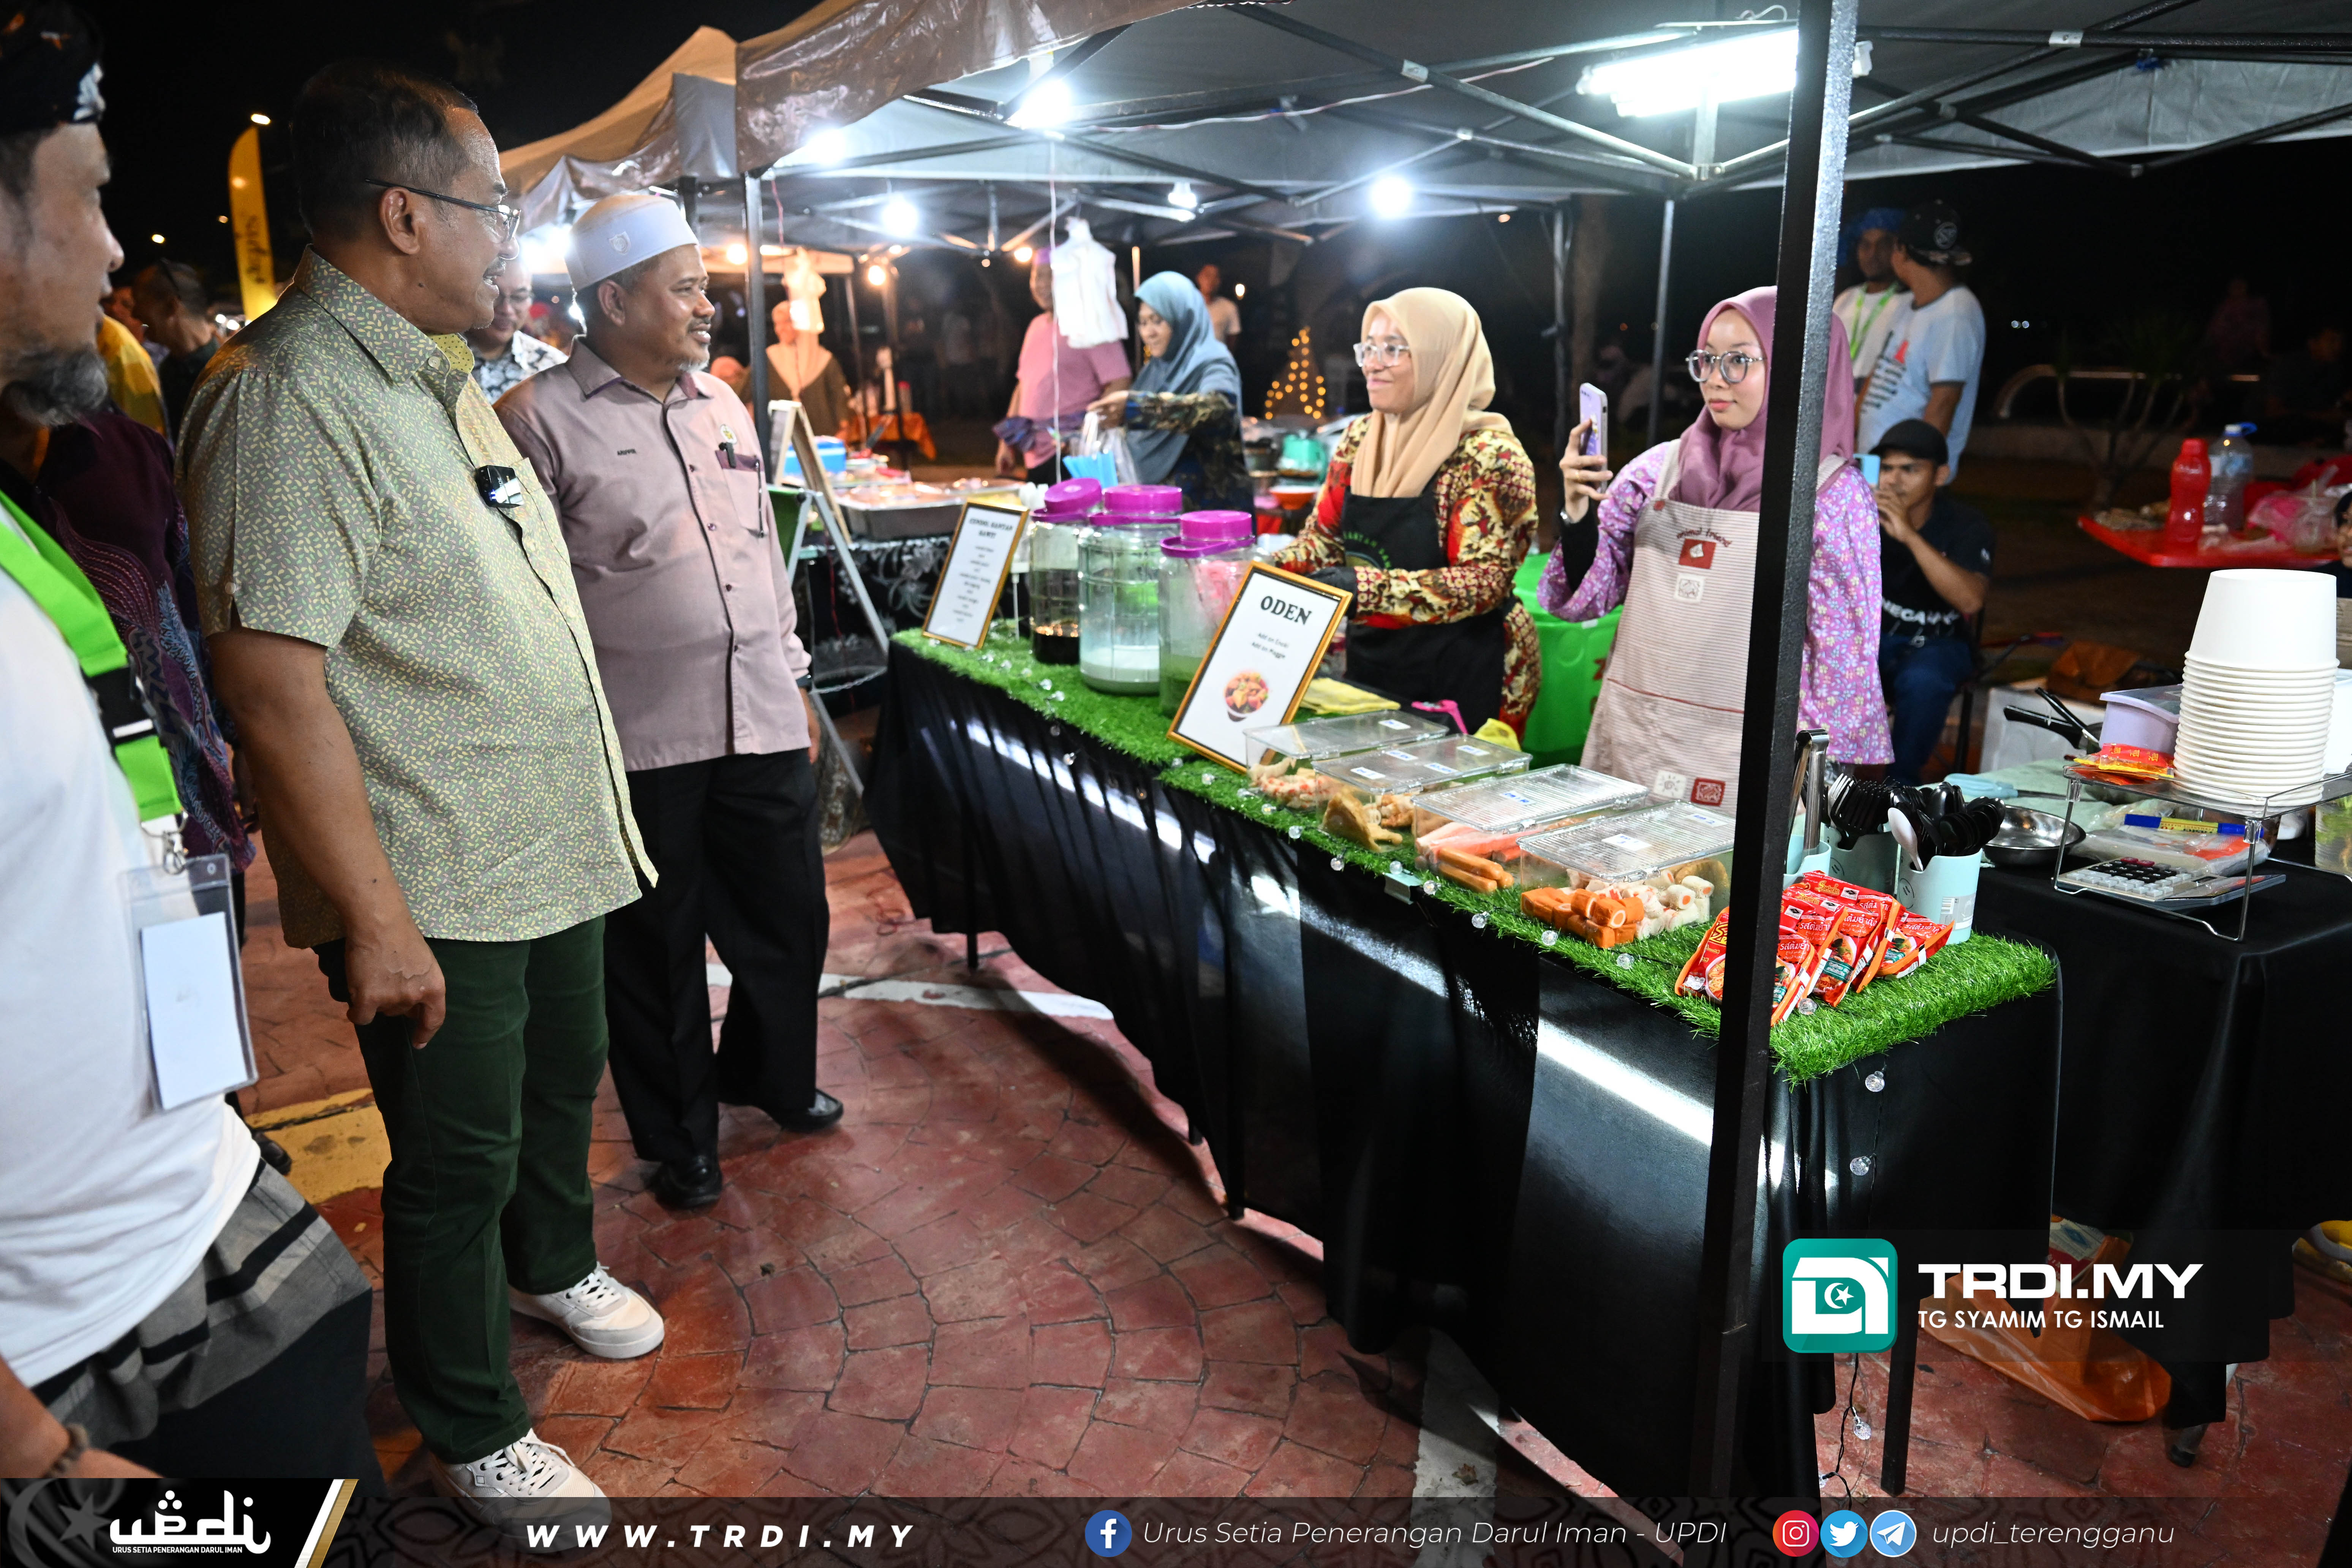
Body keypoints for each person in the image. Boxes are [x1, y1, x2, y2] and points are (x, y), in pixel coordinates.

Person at [181, 59, 662, 1517]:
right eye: (493, 208)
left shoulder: (433, 374)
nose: (510, 240)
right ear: (404, 215)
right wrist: (374, 918)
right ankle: (468, 1422)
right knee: (454, 1159)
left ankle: (555, 1259)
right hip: (437, 875)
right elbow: (272, 686)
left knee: (557, 1089)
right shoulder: (285, 400)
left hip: (546, 842)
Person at [0, 1, 374, 1482]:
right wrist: (30, 1454)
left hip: (206, 1213)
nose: (113, 256)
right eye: (85, 199)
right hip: (68, 1362)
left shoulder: (34, 495)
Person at [497, 192, 837, 1214]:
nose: (707, 308)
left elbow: (764, 554)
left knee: (791, 920)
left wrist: (797, 677)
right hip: (636, 740)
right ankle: (682, 1138)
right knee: (654, 954)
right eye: (685, 289)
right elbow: (526, 598)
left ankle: (768, 1078)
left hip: (759, 713)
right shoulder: (535, 421)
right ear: (614, 300)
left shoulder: (723, 404)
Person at [1545, 286, 1889, 807]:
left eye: (1738, 363)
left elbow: (1842, 672)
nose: (1713, 380)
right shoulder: (1656, 472)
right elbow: (1589, 596)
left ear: (1798, 371)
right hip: (1640, 740)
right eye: (1705, 360)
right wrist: (1576, 514)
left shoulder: (1830, 496)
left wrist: (1811, 798)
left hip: (1748, 763)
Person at [1274, 288, 1541, 735]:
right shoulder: (1361, 437)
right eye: (1370, 347)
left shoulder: (1488, 456)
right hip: (1376, 655)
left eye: (1394, 349)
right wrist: (1260, 571)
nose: (1373, 364)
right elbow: (1324, 540)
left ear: (1443, 358)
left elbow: (1485, 582)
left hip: (1466, 667)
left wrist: (1365, 589)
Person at [1871, 420, 1992, 784]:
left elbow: (1971, 599)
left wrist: (1908, 535)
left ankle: (1898, 793)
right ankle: (1825, 783)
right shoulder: (1863, 515)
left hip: (1940, 642)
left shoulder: (1966, 525)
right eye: (1887, 468)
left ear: (1940, 475)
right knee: (1821, 661)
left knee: (1924, 681)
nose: (1894, 480)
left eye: (1910, 469)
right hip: (1875, 638)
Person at [1086, 271, 1249, 512]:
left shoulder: (1213, 361)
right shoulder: (1155, 371)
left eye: (1158, 320)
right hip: (1164, 521)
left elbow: (1220, 410)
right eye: (1143, 322)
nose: (1148, 333)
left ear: (1183, 317)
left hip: (1214, 520)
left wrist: (1137, 409)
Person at [1856, 201, 1985, 473]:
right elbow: (1877, 377)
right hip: (1872, 463)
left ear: (1900, 252)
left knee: (1895, 519)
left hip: (1905, 478)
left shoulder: (1955, 313)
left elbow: (1944, 404)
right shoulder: (1908, 305)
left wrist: (1915, 477)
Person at [994, 250, 1130, 481]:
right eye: (1037, 276)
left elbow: (1120, 382)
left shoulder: (1091, 323)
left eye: (1052, 276)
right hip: (1034, 454)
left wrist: (1087, 435)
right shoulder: (1036, 326)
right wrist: (1006, 444)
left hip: (1073, 456)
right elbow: (1023, 388)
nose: (1043, 284)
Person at [128, 258, 222, 439]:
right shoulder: (169, 369)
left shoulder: (232, 368)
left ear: (171, 306)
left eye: (139, 301)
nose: (135, 313)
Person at [466, 252, 566, 401]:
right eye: (495, 295)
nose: (506, 309)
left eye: (519, 298)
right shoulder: (436, 354)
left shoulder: (551, 367)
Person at [1832, 206, 1906, 393]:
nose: (1872, 254)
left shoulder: (1908, 303)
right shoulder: (1846, 299)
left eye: (1882, 245)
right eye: (1866, 245)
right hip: (1838, 407)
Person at [758, 296, 851, 438]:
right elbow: (744, 388)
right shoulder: (770, 358)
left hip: (823, 437)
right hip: (784, 440)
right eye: (777, 324)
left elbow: (839, 395)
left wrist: (843, 430)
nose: (781, 329)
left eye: (787, 322)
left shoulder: (823, 359)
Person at [2259, 323, 2346, 445]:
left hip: (2311, 434)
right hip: (2270, 434)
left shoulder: (2335, 371)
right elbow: (2272, 412)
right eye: (2332, 341)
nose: (2338, 347)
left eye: (2340, 342)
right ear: (2313, 344)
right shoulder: (2288, 367)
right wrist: (2321, 417)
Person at [95, 303, 163, 435]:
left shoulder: (121, 347)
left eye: (127, 305)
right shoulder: (110, 339)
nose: (114, 308)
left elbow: (145, 428)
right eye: (111, 301)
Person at [1198, 262, 1241, 346]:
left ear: (1219, 282)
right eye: (1208, 276)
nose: (1211, 280)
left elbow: (1233, 339)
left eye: (1215, 277)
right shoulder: (1185, 305)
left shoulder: (1229, 307)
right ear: (1199, 278)